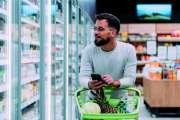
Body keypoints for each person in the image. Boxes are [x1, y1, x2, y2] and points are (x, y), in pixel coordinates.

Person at [79, 13, 137, 90]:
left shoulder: (128, 50)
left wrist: (115, 82)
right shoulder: (88, 50)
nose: (95, 32)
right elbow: (83, 77)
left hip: (120, 99)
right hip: (95, 99)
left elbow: (130, 79)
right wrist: (89, 84)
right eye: (95, 29)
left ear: (113, 33)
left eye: (100, 29)